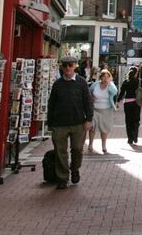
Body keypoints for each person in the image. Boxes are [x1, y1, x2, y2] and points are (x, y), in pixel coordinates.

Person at [47, 56, 93, 189]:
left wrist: (89, 119)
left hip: (78, 122)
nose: (67, 68)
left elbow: (88, 102)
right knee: (60, 151)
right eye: (65, 65)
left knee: (77, 149)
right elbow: (51, 104)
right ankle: (62, 177)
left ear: (75, 66)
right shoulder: (57, 84)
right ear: (62, 67)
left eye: (70, 65)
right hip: (59, 123)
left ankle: (75, 168)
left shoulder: (81, 82)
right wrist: (50, 123)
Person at [87, 69, 117, 154]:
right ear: (101, 77)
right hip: (95, 109)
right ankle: (90, 144)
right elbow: (89, 92)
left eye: (107, 77)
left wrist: (109, 83)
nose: (105, 78)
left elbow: (115, 92)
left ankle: (104, 145)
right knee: (92, 127)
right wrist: (92, 98)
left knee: (104, 129)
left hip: (106, 110)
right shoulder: (95, 85)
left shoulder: (111, 85)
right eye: (104, 76)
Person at [117, 68, 142, 145]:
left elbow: (122, 92)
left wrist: (118, 101)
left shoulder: (126, 82)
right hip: (136, 103)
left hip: (127, 103)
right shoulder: (139, 81)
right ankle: (135, 135)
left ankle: (130, 138)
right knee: (136, 120)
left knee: (128, 121)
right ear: (136, 73)